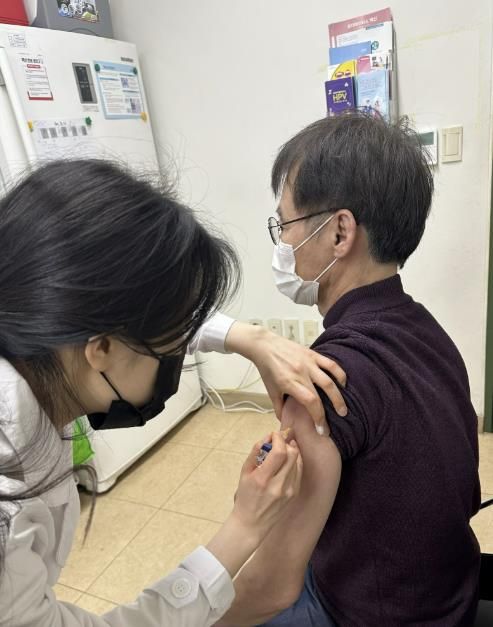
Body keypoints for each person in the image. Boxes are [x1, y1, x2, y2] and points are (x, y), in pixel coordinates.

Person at [0, 159, 348, 627]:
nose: (180, 352)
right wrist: (244, 527)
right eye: (173, 341)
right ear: (101, 348)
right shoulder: (8, 510)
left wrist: (252, 338)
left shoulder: (35, 331)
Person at [215, 112, 481, 626]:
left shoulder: (325, 382)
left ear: (339, 232)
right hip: (454, 599)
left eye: (284, 224)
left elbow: (271, 586)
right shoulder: (429, 332)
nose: (282, 243)